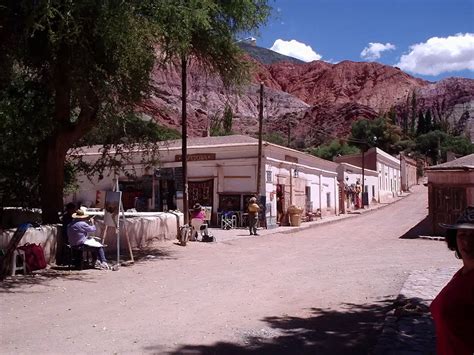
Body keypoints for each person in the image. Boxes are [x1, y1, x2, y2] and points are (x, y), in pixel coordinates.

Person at [430, 206, 474, 355]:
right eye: (462, 234)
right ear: (454, 239)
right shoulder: (462, 274)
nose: (468, 242)